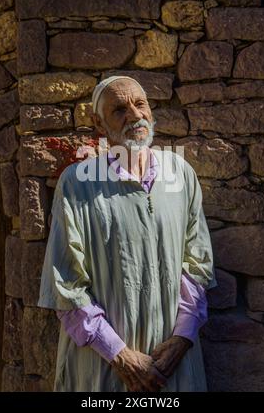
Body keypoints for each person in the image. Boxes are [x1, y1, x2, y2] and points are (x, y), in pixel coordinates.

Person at [38, 75, 217, 392]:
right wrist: (120, 356)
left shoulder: (180, 175)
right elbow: (66, 285)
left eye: (140, 104)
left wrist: (182, 338)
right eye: (119, 109)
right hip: (105, 370)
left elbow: (197, 265)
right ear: (99, 123)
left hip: (174, 366)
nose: (134, 116)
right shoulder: (78, 184)